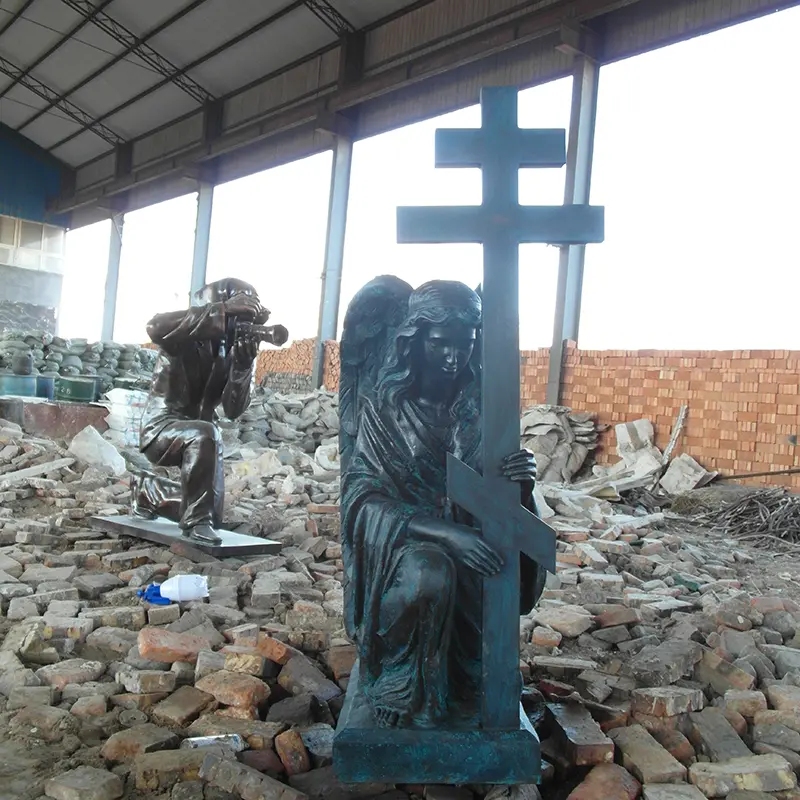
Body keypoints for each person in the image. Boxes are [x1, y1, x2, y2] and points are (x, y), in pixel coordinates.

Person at [340, 278, 545, 728]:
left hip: (475, 535)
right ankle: (404, 680)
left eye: (465, 344)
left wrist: (522, 484)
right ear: (414, 342)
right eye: (440, 344)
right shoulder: (386, 408)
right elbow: (362, 499)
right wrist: (448, 534)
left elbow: (499, 496)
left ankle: (473, 681)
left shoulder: (482, 410)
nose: (454, 357)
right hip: (405, 543)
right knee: (429, 574)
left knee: (494, 567)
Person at [131, 277, 287, 545]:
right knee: (204, 436)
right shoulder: (184, 336)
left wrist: (242, 367)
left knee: (211, 513)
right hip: (161, 428)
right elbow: (154, 326)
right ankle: (196, 522)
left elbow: (233, 410)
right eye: (237, 316)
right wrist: (224, 309)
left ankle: (149, 492)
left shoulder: (232, 349)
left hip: (203, 436)